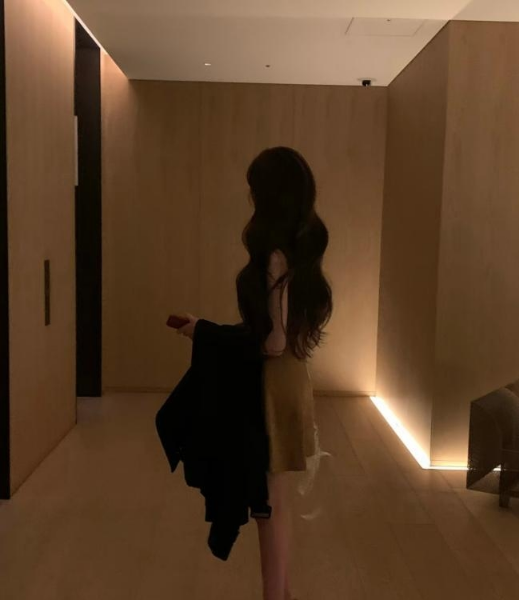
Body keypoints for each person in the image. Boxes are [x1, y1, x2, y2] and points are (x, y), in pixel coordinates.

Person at [176, 146, 332, 600]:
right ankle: (281, 592)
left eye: (254, 189)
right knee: (276, 502)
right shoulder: (301, 251)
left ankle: (274, 595)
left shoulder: (274, 257)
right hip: (294, 379)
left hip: (272, 385)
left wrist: (207, 334)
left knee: (269, 507)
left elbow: (272, 342)